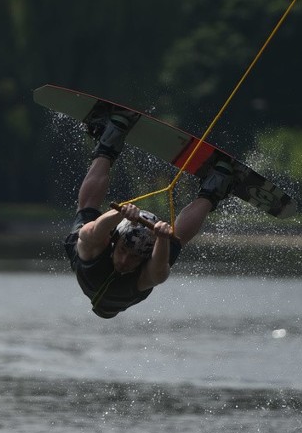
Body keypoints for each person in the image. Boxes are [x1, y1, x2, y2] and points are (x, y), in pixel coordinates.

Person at [64, 111, 234, 318]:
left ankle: (110, 140)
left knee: (87, 213)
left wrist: (121, 213)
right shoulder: (128, 278)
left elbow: (95, 231)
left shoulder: (104, 264)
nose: (125, 260)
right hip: (112, 275)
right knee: (173, 242)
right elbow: (158, 273)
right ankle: (214, 187)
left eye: (133, 256)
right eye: (127, 251)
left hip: (100, 263)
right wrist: (160, 237)